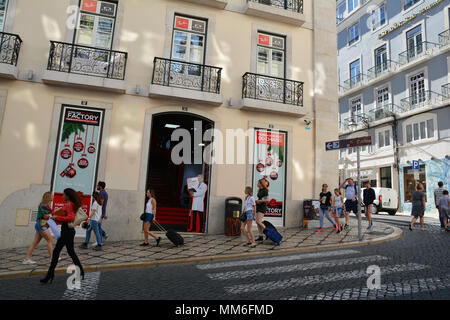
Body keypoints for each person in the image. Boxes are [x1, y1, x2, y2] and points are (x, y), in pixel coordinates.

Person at [40, 188, 84, 284]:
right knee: (71, 252)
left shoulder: (69, 204)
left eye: (63, 194)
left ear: (67, 196)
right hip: (69, 231)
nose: (62, 196)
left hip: (67, 232)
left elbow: (71, 218)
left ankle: (50, 274)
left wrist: (57, 217)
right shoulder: (69, 204)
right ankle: (81, 272)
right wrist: (56, 215)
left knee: (56, 252)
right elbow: (67, 216)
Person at [23, 192, 54, 264]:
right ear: (48, 197)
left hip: (39, 224)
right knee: (50, 240)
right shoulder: (44, 205)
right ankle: (52, 258)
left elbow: (46, 215)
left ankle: (26, 259)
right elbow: (46, 216)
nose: (53, 197)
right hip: (41, 225)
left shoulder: (43, 205)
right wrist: (54, 214)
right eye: (52, 196)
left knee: (35, 243)